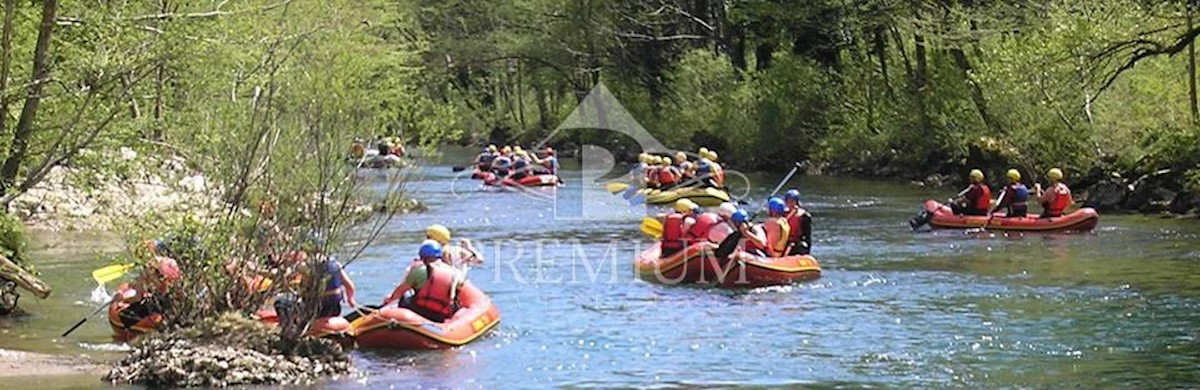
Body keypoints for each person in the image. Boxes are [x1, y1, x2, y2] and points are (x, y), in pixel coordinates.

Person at [382, 242, 462, 323]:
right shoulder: (454, 273)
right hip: (440, 316)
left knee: (406, 295)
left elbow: (399, 292)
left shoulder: (419, 271)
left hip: (419, 312)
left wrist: (388, 301)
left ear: (424, 257)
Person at [116, 256, 181, 329]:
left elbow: (137, 298)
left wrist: (122, 300)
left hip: (158, 305)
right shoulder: (170, 284)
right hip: (162, 303)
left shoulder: (150, 278)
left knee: (124, 316)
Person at [783, 189, 813, 256]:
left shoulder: (804, 216)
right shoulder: (782, 214)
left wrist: (808, 251)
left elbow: (807, 236)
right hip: (784, 242)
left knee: (803, 246)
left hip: (797, 243)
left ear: (797, 202)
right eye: (788, 201)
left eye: (792, 201)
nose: (790, 204)